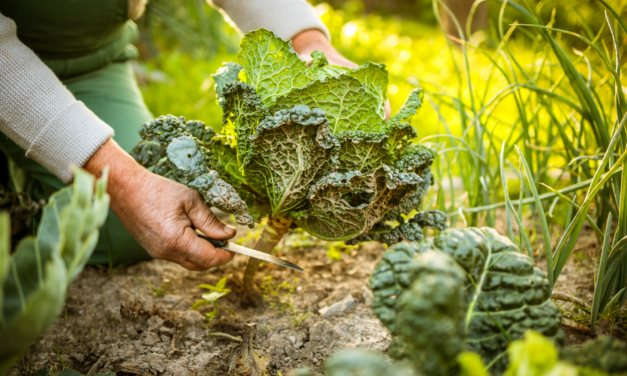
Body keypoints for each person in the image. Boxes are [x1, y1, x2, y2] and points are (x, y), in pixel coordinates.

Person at [0, 0, 358, 271]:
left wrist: (307, 40)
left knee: (127, 229)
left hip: (89, 63)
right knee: (121, 197)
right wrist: (124, 182)